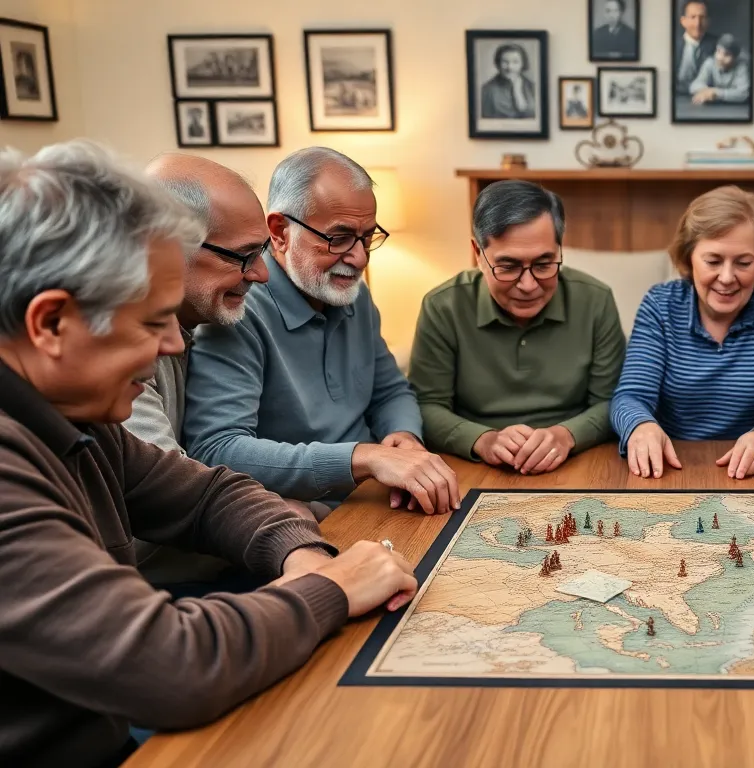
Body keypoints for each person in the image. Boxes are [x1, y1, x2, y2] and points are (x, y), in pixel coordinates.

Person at [0, 140, 418, 768]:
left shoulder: (71, 417)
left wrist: (297, 548)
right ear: (50, 324)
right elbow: (170, 666)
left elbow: (207, 493)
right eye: (151, 323)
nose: (175, 346)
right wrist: (331, 587)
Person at [184, 147, 461, 517]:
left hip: (376, 497)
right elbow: (217, 449)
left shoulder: (353, 294)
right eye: (340, 237)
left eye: (367, 237)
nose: (360, 258)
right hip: (304, 511)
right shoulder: (236, 306)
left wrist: (404, 437)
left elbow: (390, 390)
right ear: (280, 232)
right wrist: (364, 457)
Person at [126, 154, 275, 587]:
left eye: (261, 252)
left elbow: (201, 495)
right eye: (244, 256)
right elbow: (172, 495)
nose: (262, 274)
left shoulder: (191, 325)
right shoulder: (119, 348)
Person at [410, 180, 625, 472]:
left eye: (544, 264)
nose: (528, 285)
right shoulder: (443, 306)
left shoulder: (596, 299)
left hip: (580, 456)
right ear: (477, 252)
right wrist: (483, 440)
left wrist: (566, 435)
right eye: (508, 266)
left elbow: (613, 400)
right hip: (474, 464)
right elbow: (426, 405)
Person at [611, 185, 754, 480]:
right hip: (671, 467)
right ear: (689, 258)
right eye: (713, 261)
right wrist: (641, 427)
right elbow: (630, 396)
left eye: (744, 263)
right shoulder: (660, 304)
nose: (728, 277)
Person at [690, 34, 751, 105]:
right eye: (718, 51)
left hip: (736, 110)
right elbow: (694, 86)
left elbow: (744, 94)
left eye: (727, 54)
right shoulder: (710, 63)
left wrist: (716, 93)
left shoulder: (742, 67)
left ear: (735, 57)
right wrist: (708, 92)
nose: (720, 58)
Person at [480, 43, 537, 120]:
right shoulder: (487, 90)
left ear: (523, 64)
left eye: (515, 62)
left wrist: (518, 92)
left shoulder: (532, 87)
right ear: (498, 63)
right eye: (505, 62)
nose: (510, 67)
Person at [674, 0, 717, 96]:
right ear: (683, 21)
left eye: (702, 18)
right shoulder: (671, 46)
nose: (698, 24)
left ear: (708, 21)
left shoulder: (718, 46)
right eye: (693, 17)